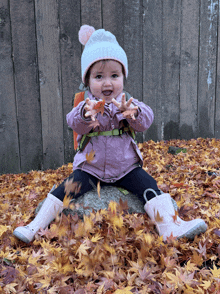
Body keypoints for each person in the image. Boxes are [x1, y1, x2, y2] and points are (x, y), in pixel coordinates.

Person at [13, 25, 207, 244]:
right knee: (65, 189)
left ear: (123, 77)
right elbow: (72, 121)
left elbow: (147, 120)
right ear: (87, 81)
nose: (107, 82)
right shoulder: (84, 104)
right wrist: (85, 116)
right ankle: (35, 225)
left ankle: (170, 227)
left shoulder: (128, 102)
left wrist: (134, 113)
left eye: (114, 75)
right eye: (99, 76)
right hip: (90, 169)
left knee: (150, 188)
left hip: (126, 168)